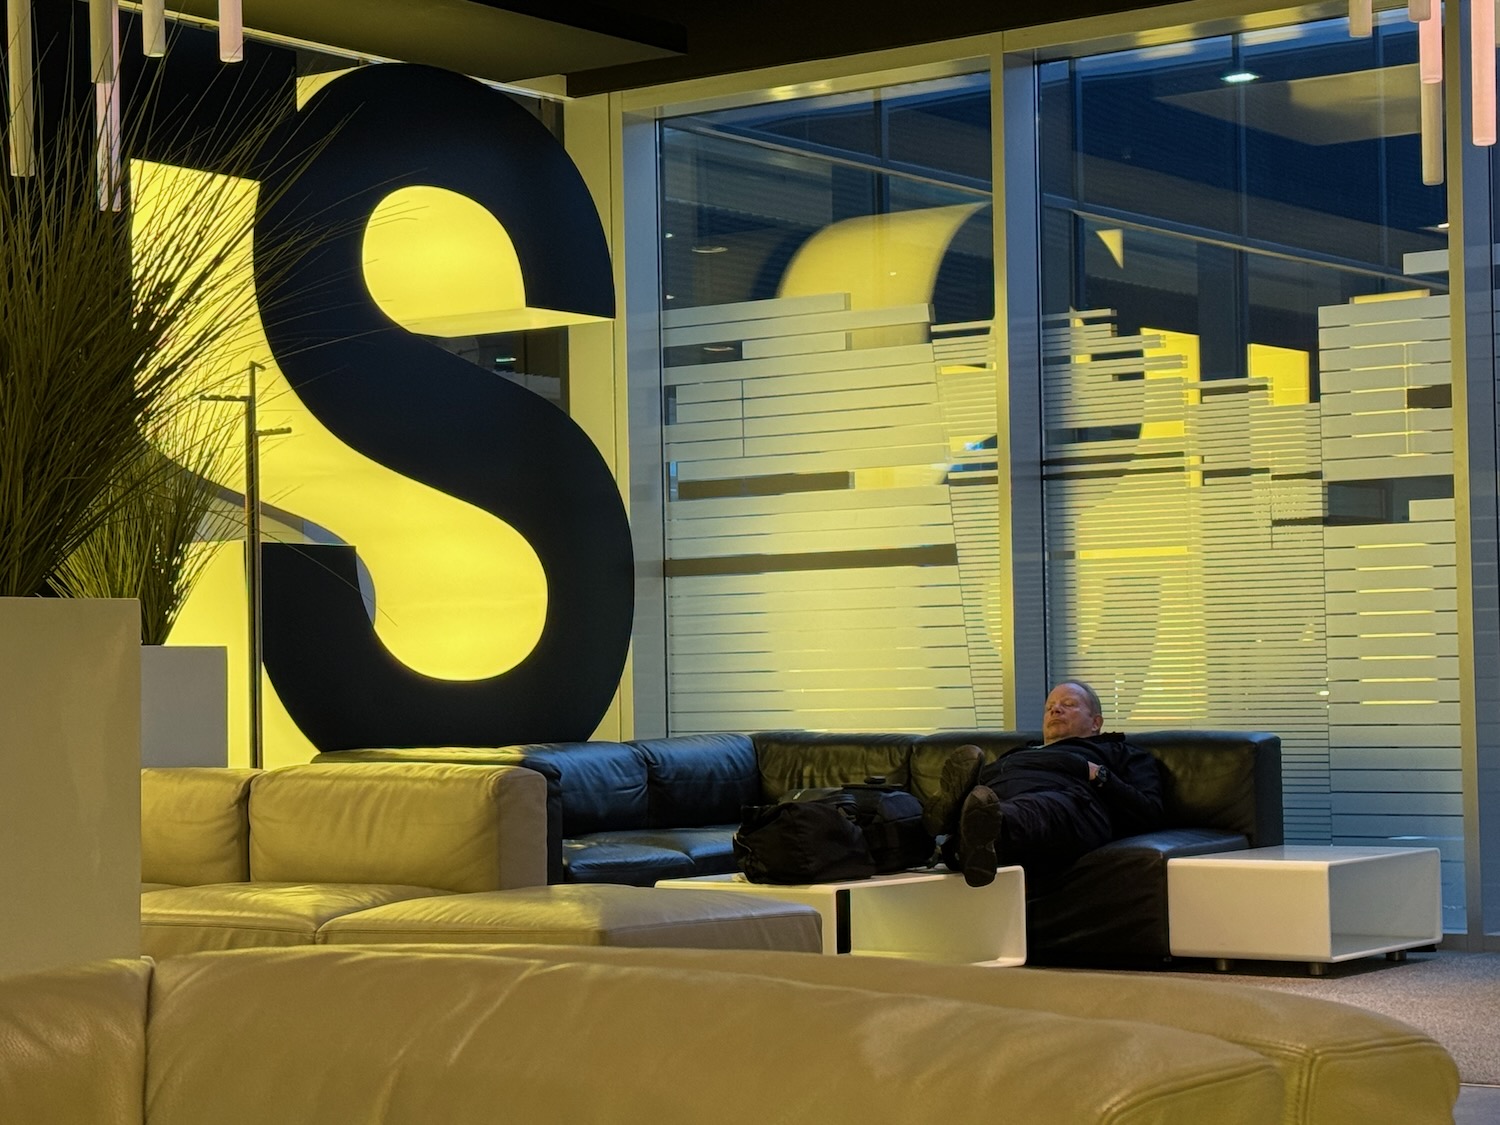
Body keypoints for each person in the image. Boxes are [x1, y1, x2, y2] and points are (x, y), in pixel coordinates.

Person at [925, 681, 1165, 888]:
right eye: (1049, 707)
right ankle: (920, 833)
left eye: (1068, 704)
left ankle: (974, 829)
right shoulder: (1019, 753)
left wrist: (1099, 775)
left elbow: (1149, 812)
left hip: (1068, 798)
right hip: (995, 795)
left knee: (1032, 808)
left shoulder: (1119, 752)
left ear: (1095, 722)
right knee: (908, 810)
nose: (1055, 710)